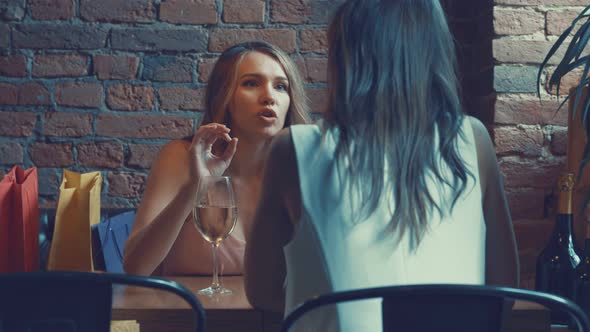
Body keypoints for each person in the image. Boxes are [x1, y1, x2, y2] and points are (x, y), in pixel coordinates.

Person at [244, 0, 519, 330]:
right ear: (432, 54)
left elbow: (262, 292)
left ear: (346, 57)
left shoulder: (293, 148)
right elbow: (503, 286)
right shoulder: (472, 140)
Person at [123, 41, 310, 276]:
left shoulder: (303, 168)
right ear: (225, 96)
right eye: (251, 83)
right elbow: (134, 267)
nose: (269, 97)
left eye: (281, 87)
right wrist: (195, 187)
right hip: (189, 312)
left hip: (273, 313)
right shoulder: (182, 157)